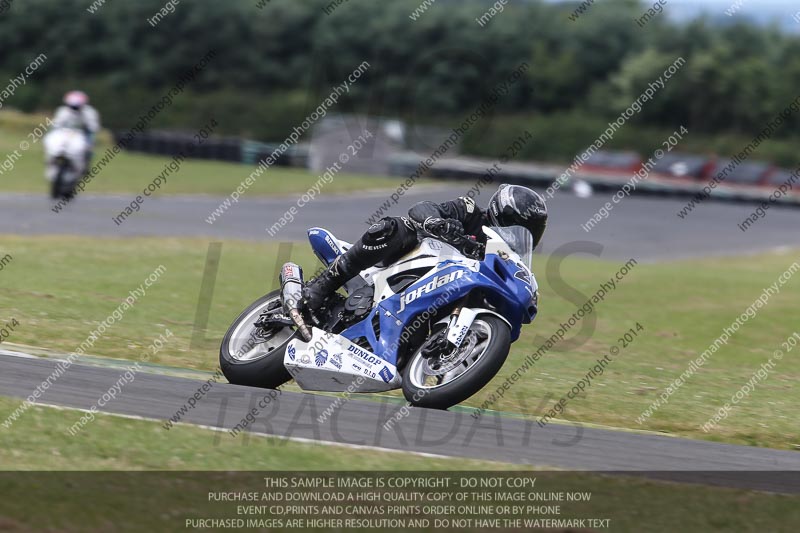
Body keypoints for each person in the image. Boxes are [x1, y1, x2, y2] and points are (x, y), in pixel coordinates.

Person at [301, 183, 548, 312]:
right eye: (519, 226)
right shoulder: (469, 210)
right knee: (396, 227)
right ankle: (322, 285)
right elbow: (422, 208)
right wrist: (437, 223)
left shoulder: (505, 258)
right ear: (502, 215)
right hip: (409, 261)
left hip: (448, 289)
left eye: (529, 231)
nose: (522, 235)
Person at [52, 91, 101, 166]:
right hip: (65, 133)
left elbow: (94, 126)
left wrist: (89, 128)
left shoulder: (89, 112)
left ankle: (85, 164)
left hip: (83, 133)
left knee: (88, 148)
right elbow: (57, 123)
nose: (74, 109)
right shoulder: (63, 111)